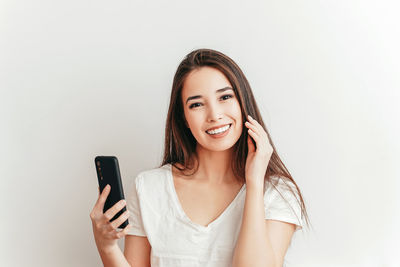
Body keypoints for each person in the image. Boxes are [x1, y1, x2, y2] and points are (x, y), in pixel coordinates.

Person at [90, 48, 311, 267]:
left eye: (225, 97)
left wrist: (254, 184)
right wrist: (106, 247)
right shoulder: (148, 187)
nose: (214, 115)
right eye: (196, 104)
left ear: (243, 102)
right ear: (184, 117)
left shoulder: (277, 193)